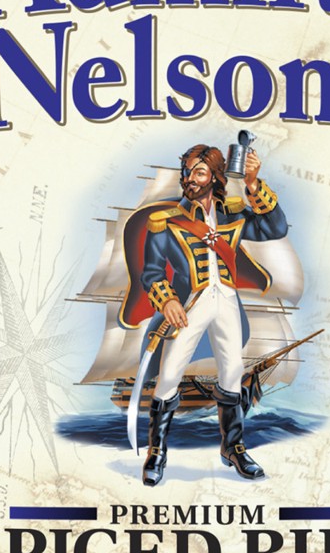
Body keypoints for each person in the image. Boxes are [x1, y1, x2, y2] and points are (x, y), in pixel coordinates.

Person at [123, 142, 290, 484]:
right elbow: (152, 273)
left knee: (232, 373)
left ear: (214, 177)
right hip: (189, 304)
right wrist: (167, 301)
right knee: (169, 374)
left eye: (198, 173)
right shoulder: (166, 222)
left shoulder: (233, 214)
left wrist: (253, 183)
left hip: (226, 301)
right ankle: (158, 451)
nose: (190, 179)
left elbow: (275, 228)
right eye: (187, 172)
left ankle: (233, 447)